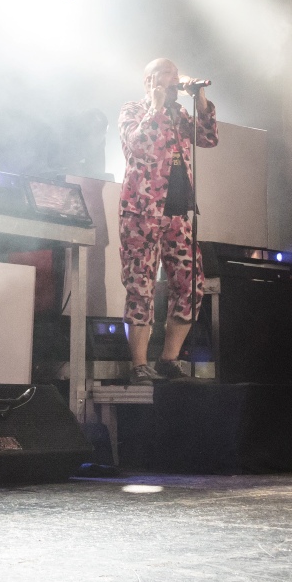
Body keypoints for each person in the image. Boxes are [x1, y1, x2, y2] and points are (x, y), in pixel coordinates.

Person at [116, 58, 217, 382]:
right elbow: (137, 146)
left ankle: (168, 360)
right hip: (142, 213)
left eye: (176, 75)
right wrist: (156, 108)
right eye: (166, 75)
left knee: (191, 287)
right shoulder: (133, 110)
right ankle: (139, 365)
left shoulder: (180, 114)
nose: (174, 80)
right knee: (140, 288)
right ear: (149, 81)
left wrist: (200, 98)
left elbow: (208, 137)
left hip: (177, 215)